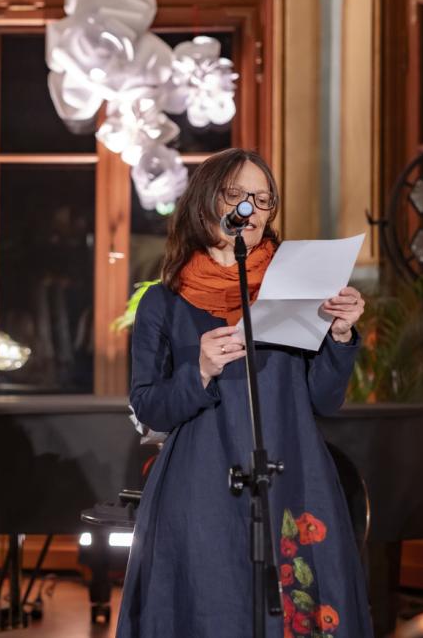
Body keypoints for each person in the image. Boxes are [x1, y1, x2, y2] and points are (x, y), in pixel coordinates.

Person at [116, 148, 372, 638]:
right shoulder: (163, 302)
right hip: (200, 482)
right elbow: (148, 406)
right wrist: (200, 372)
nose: (250, 209)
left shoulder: (297, 287)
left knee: (294, 605)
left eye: (263, 198)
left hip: (292, 471)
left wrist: (340, 336)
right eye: (236, 195)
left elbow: (324, 400)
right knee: (210, 608)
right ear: (206, 202)